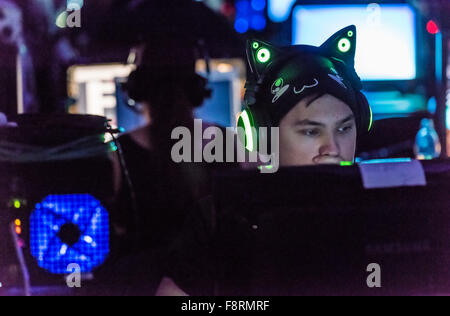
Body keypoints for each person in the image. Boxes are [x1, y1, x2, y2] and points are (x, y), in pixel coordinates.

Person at [155, 25, 373, 296]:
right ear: (259, 137)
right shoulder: (220, 221)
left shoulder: (385, 211)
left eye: (344, 128)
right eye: (310, 131)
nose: (332, 148)